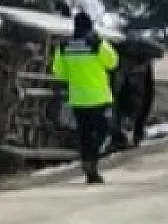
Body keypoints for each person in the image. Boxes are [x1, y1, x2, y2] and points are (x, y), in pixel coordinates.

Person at [51, 11, 119, 184]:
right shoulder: (96, 44)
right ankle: (92, 161)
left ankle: (89, 168)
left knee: (84, 134)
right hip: (98, 97)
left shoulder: (64, 46)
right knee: (104, 130)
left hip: (78, 98)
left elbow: (59, 72)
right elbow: (113, 62)